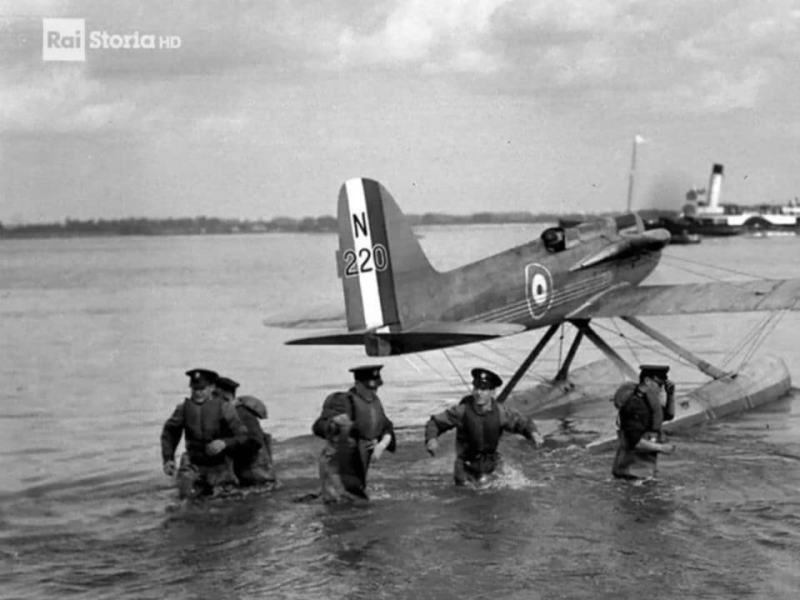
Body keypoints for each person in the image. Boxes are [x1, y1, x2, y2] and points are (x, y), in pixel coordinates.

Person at [424, 367, 544, 486]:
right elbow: (435, 422)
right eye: (476, 388)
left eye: (484, 389)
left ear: (492, 392)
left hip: (491, 463)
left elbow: (521, 422)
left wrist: (533, 433)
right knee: (465, 495)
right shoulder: (462, 411)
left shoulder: (501, 412)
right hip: (465, 466)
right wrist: (431, 439)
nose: (478, 393)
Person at [312, 364, 396, 503]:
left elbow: (387, 427)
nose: (374, 392)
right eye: (369, 388)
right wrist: (333, 426)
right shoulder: (342, 401)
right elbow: (318, 427)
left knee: (356, 500)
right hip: (338, 463)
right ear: (357, 384)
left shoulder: (374, 404)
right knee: (339, 504)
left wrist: (381, 445)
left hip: (359, 462)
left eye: (376, 388)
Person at [160, 368, 248, 499]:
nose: (198, 393)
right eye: (195, 389)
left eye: (202, 389)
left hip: (219, 465)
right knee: (185, 502)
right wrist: (168, 459)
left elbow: (243, 436)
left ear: (212, 387)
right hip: (193, 464)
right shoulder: (183, 408)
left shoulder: (224, 408)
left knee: (226, 503)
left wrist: (224, 443)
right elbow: (169, 433)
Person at [611, 364, 677, 480]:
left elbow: (668, 415)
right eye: (659, 385)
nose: (661, 389)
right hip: (630, 472)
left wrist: (670, 395)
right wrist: (662, 448)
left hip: (642, 470)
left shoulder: (648, 401)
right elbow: (634, 441)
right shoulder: (635, 405)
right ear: (647, 381)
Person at [216, 375, 277, 488]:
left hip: (258, 481)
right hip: (246, 480)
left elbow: (255, 441)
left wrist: (227, 444)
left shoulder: (241, 413)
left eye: (214, 395)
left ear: (227, 396)